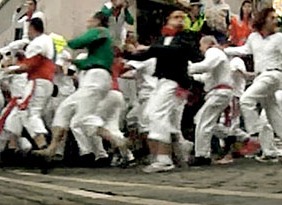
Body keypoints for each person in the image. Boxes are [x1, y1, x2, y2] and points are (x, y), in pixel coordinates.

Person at [224, 7, 282, 165]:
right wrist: (225, 49)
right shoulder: (253, 37)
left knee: (246, 100)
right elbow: (245, 50)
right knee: (275, 117)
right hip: (261, 76)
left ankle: (254, 136)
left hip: (273, 75)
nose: (276, 20)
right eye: (272, 17)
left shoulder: (280, 38)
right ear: (263, 19)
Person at [37, 12, 120, 167]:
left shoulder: (100, 31)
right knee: (65, 110)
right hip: (97, 77)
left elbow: (78, 42)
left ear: (97, 21)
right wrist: (74, 61)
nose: (87, 23)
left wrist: (67, 42)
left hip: (96, 77)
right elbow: (88, 61)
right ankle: (52, 148)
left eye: (90, 20)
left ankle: (116, 140)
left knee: (83, 118)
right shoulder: (102, 43)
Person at [125, 10, 202, 173]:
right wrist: (125, 53)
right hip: (162, 82)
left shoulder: (186, 38)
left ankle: (164, 158)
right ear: (168, 20)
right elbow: (146, 55)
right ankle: (180, 150)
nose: (180, 20)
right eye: (176, 17)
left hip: (175, 82)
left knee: (157, 114)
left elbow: (173, 51)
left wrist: (151, 49)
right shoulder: (161, 39)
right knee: (154, 116)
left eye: (183, 18)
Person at [7, 17, 55, 150]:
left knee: (29, 112)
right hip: (47, 81)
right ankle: (15, 145)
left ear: (32, 27)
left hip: (37, 80)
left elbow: (29, 66)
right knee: (24, 113)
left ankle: (42, 145)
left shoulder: (37, 43)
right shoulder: (48, 41)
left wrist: (8, 69)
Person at [188, 36, 234, 166]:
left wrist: (188, 68)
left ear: (207, 44)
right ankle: (230, 135)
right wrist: (191, 75)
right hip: (220, 92)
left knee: (203, 121)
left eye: (201, 45)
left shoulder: (213, 52)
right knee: (203, 120)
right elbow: (206, 76)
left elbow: (206, 66)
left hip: (219, 92)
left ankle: (202, 154)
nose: (200, 49)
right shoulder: (218, 56)